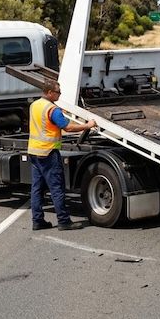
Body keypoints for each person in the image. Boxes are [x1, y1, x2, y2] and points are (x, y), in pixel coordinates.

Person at [28, 79, 96, 231]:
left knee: (37, 189)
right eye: (58, 92)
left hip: (34, 151)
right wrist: (88, 125)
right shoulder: (52, 109)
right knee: (56, 188)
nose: (60, 94)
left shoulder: (35, 105)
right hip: (48, 152)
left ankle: (37, 221)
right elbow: (68, 127)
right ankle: (64, 221)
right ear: (50, 92)